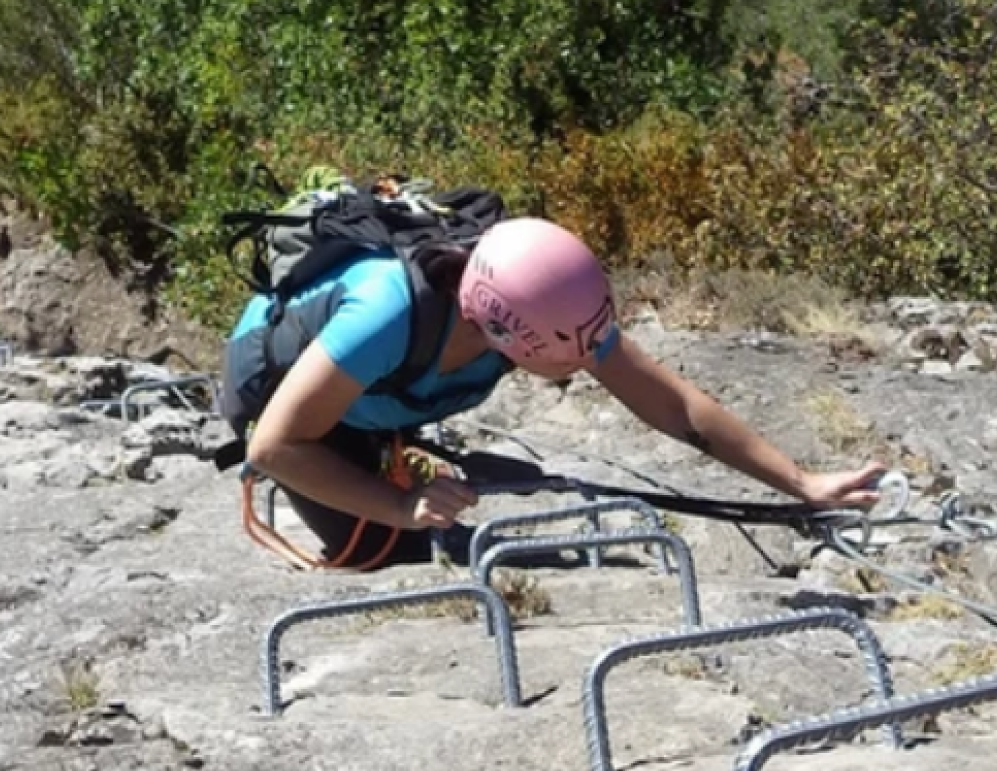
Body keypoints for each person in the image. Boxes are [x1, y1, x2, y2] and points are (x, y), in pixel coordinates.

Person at [234, 216, 886, 568]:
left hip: (381, 397)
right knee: (394, 554)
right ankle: (379, 466)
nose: (590, 361)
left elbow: (675, 407)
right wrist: (398, 508)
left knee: (453, 513)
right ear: (508, 333)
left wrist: (802, 482)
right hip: (291, 406)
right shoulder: (385, 317)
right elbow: (277, 444)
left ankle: (388, 448)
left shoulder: (533, 304)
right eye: (576, 352)